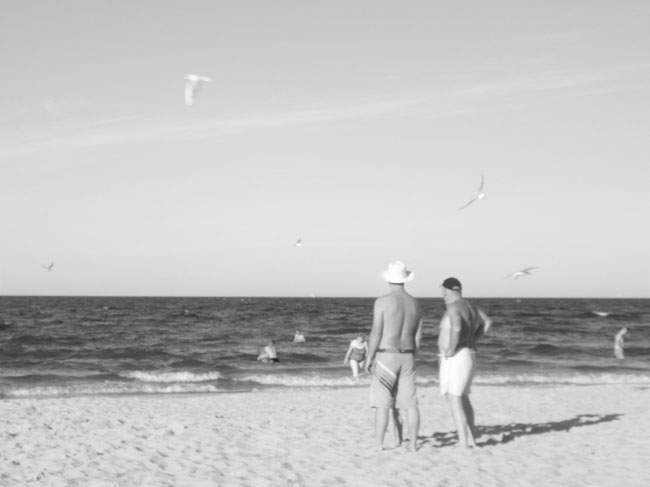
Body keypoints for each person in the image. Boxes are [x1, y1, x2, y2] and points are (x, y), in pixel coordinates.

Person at [366, 261, 423, 452]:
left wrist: (369, 357)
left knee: (383, 404)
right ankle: (414, 445)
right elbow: (418, 337)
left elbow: (376, 333)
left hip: (387, 356)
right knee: (411, 405)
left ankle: (379, 444)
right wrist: (414, 357)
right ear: (405, 279)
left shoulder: (382, 301)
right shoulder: (416, 303)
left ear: (389, 279)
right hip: (408, 356)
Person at [438, 277, 492, 448]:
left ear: (446, 290)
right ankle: (472, 440)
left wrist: (451, 350)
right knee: (463, 398)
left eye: (443, 291)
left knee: (454, 399)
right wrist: (474, 339)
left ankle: (463, 442)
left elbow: (457, 328)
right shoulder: (471, 306)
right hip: (469, 353)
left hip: (457, 357)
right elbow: (488, 322)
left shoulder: (453, 307)